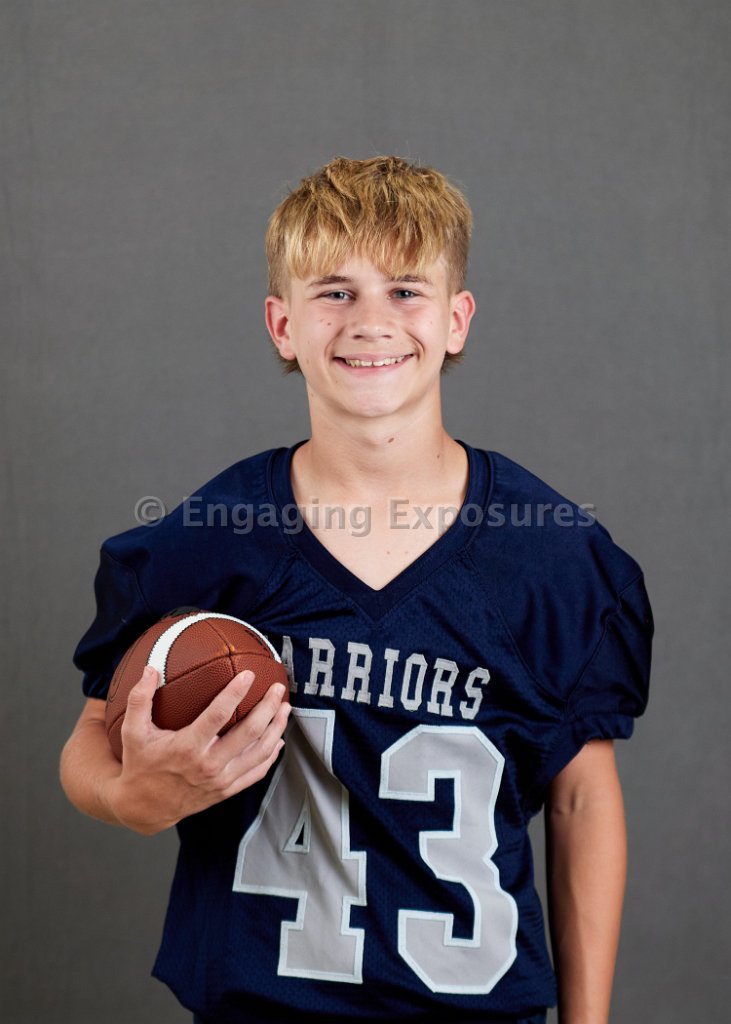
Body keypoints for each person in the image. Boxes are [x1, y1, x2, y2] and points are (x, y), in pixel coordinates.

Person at [60, 156, 653, 1024]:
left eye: (405, 291)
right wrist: (124, 798)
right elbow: (92, 736)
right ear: (281, 325)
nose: (370, 321)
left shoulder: (553, 558)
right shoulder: (207, 541)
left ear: (455, 320)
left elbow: (580, 796)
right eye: (333, 292)